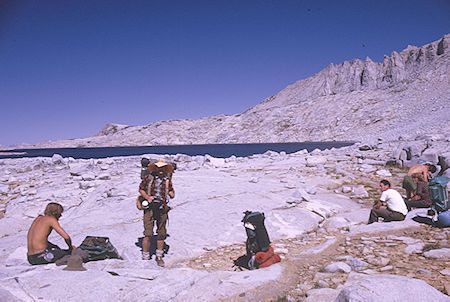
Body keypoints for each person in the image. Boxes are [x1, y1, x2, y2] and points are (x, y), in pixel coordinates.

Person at [139, 159, 175, 267]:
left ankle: (159, 256)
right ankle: (145, 256)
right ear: (155, 168)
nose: (160, 170)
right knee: (148, 233)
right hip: (150, 208)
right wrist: (147, 197)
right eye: (159, 168)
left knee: (161, 232)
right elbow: (141, 189)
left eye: (162, 168)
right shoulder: (148, 178)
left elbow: (172, 192)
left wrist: (171, 194)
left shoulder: (167, 180)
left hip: (162, 208)